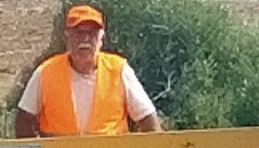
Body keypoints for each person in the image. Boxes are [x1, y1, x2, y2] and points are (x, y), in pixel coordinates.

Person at [15, 5, 162, 138]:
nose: (85, 39)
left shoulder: (119, 70)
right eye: (78, 33)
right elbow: (24, 120)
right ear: (67, 36)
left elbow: (147, 118)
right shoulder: (45, 72)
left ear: (101, 38)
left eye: (91, 33)